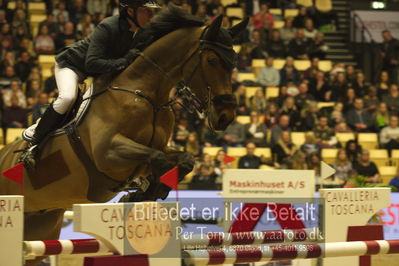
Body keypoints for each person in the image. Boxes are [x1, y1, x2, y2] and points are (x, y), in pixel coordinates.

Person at [22, 0, 161, 150]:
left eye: (151, 11)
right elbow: (92, 63)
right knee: (68, 97)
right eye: (145, 10)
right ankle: (37, 134)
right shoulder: (108, 26)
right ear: (130, 12)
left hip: (97, 74)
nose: (150, 15)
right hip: (72, 65)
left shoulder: (141, 32)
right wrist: (123, 61)